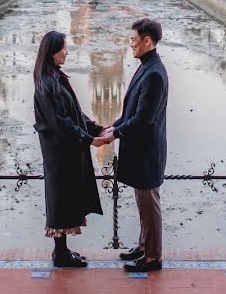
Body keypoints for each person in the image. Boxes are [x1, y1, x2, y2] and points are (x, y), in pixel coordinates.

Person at [99, 18, 169, 273]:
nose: (131, 45)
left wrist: (115, 133)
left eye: (133, 40)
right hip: (142, 150)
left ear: (147, 40)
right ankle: (143, 246)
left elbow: (143, 119)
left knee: (149, 205)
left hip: (147, 152)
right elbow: (132, 111)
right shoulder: (147, 67)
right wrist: (113, 126)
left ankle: (153, 257)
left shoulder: (154, 74)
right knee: (143, 203)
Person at [33, 31, 106, 268]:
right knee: (61, 199)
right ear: (51, 51)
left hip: (66, 151)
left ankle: (63, 252)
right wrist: (88, 140)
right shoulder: (46, 83)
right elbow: (61, 123)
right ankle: (60, 254)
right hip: (59, 153)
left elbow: (74, 112)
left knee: (66, 198)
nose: (66, 52)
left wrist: (95, 129)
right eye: (63, 48)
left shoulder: (55, 77)